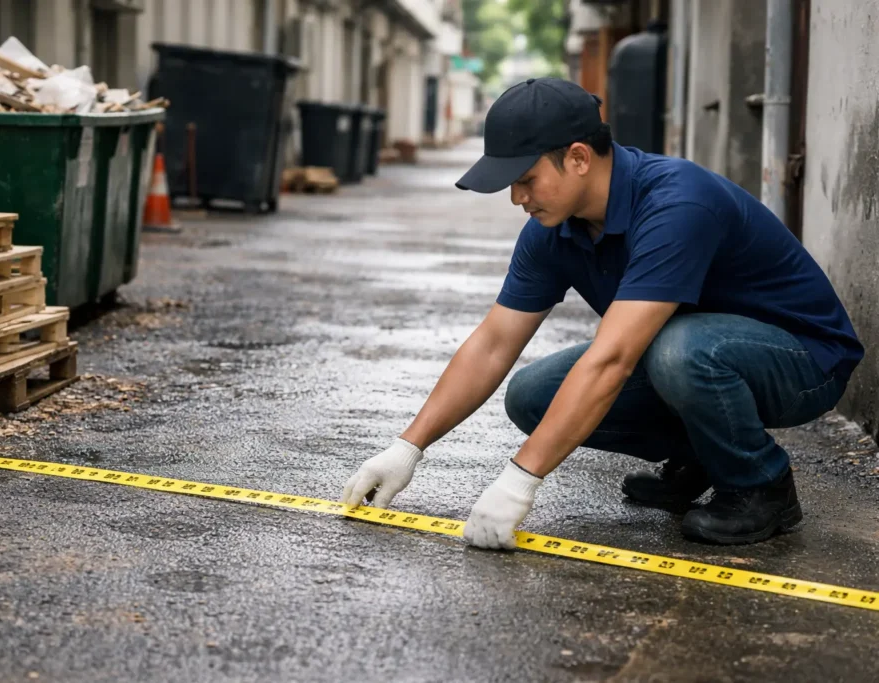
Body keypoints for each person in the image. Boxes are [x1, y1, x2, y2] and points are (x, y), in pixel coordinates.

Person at [339, 77, 864, 549]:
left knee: (677, 350)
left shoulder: (676, 203)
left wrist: (520, 480)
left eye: (526, 178)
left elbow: (613, 359)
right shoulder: (552, 228)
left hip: (804, 360)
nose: (517, 197)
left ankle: (760, 485)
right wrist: (407, 449)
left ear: (578, 158)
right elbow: (494, 344)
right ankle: (705, 456)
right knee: (533, 396)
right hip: (693, 352)